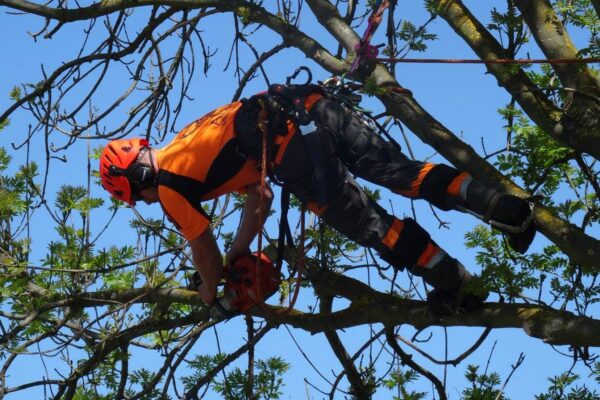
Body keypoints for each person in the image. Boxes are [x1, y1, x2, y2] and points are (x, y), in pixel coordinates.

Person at [99, 82, 536, 314]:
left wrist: (210, 293)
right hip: (310, 105)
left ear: (136, 178)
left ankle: (456, 283)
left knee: (373, 227)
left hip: (295, 152)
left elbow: (203, 255)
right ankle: (503, 206)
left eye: (144, 197)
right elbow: (261, 198)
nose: (152, 203)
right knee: (402, 174)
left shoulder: (174, 188)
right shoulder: (189, 140)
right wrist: (238, 256)